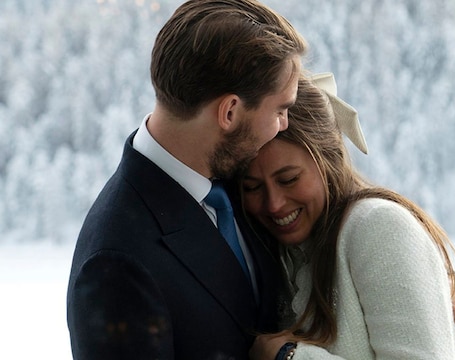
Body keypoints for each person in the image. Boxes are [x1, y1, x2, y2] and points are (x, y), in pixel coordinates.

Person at [66, 1, 306, 359]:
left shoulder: (236, 176)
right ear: (229, 112)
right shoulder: (116, 265)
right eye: (280, 110)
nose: (285, 125)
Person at [239, 74, 455, 359]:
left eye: (289, 179)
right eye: (251, 187)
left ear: (327, 158)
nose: (273, 204)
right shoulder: (278, 245)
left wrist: (290, 356)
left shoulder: (379, 228)